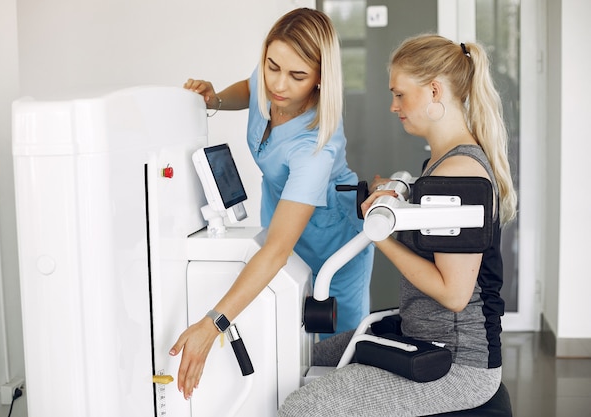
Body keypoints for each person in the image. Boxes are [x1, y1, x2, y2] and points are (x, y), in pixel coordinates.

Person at [278, 34, 517, 416]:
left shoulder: (459, 175)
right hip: (420, 335)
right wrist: (393, 197)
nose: (393, 106)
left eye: (401, 95)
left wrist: (381, 235)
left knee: (304, 407)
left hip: (456, 364)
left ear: (435, 90)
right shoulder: (442, 164)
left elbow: (454, 294)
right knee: (291, 357)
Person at [169, 7, 374, 400]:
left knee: (335, 359)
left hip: (335, 241)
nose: (279, 85)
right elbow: (251, 88)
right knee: (284, 337)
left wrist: (212, 325)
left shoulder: (314, 148)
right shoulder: (271, 80)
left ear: (320, 80)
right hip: (281, 212)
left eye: (297, 76)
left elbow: (278, 250)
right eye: (272, 66)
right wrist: (215, 99)